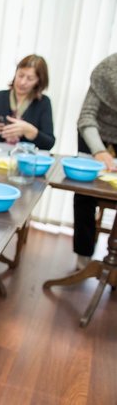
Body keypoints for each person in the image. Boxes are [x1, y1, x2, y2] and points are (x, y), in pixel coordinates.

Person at [74, 53, 117, 269]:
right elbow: (87, 115)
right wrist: (99, 150)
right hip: (95, 133)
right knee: (84, 193)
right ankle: (83, 256)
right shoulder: (107, 69)